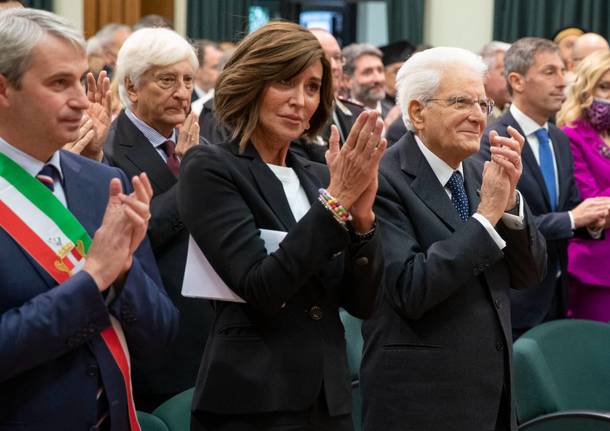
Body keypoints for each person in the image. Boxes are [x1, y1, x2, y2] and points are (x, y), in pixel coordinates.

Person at [179, 21, 386, 430]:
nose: (301, 101)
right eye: (286, 83)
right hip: (252, 399)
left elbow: (362, 304)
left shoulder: (317, 176)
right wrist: (337, 202)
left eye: (312, 88)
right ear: (251, 82)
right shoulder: (210, 168)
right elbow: (261, 286)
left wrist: (362, 220)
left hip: (329, 399)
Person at [0, 8, 178, 429]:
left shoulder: (104, 182)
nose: (81, 99)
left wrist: (121, 276)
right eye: (59, 83)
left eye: (82, 79)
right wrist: (93, 277)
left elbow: (163, 335)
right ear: (3, 90)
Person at [360, 46, 546, 431]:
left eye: (483, 104)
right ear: (417, 112)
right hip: (421, 399)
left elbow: (529, 275)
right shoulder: (381, 179)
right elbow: (410, 288)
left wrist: (510, 207)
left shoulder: (483, 172)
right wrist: (487, 216)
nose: (478, 116)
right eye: (462, 102)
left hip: (493, 392)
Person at [103, 27, 212, 412]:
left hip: (212, 327)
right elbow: (137, 235)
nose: (182, 93)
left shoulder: (198, 140)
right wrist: (188, 178)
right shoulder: (109, 149)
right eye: (167, 80)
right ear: (132, 87)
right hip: (161, 334)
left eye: (187, 80)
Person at [477, 37, 610, 338]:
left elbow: (571, 207)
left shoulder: (558, 138)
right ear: (517, 81)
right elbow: (500, 222)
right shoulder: (494, 139)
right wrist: (574, 219)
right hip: (516, 297)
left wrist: (592, 223)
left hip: (558, 293)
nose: (563, 82)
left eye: (563, 71)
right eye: (550, 72)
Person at [557, 50, 610, 322]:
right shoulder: (571, 135)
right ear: (585, 90)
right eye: (605, 87)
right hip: (597, 270)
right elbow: (593, 203)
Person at [342, 43, 392, 118]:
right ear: (348, 80)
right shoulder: (341, 117)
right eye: (368, 72)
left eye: (380, 70)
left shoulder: (393, 114)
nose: (378, 79)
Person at [480, 41, 512, 121]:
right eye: (505, 73)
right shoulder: (475, 116)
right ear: (484, 75)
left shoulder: (516, 115)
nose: (513, 81)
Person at [190, 40, 222, 110]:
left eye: (221, 67)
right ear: (196, 70)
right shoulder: (187, 100)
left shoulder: (220, 99)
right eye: (215, 67)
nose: (221, 72)